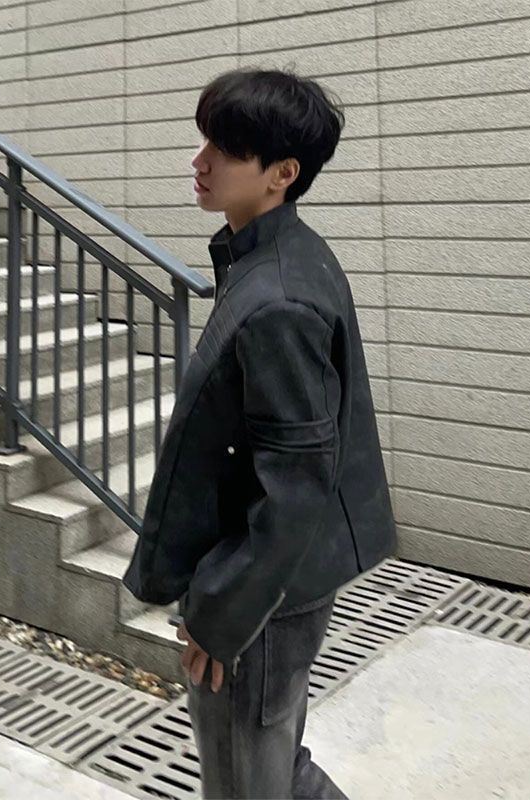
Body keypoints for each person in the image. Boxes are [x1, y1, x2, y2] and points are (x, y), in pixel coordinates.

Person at [122, 67, 397, 799]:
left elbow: (297, 483)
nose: (200, 160)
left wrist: (222, 611)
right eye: (205, 140)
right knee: (272, 763)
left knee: (248, 779)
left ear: (282, 174)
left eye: (225, 149)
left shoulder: (278, 295)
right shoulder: (278, 256)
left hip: (261, 592)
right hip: (265, 577)